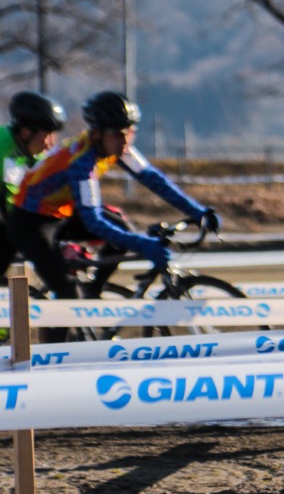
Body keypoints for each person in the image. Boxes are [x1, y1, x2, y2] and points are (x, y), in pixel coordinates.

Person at [8, 91, 220, 339]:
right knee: (66, 294)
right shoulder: (81, 161)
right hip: (30, 220)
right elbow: (93, 221)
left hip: (60, 212)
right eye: (119, 135)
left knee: (122, 228)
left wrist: (196, 210)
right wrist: (143, 244)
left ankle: (92, 293)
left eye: (130, 133)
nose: (125, 141)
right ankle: (53, 356)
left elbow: (154, 179)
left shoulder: (116, 146)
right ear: (97, 133)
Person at [1, 91, 65, 279]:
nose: (51, 143)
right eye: (48, 135)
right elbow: (10, 202)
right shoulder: (4, 147)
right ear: (25, 132)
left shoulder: (29, 148)